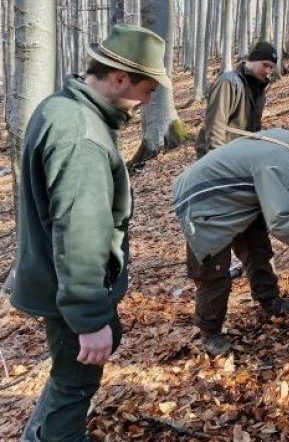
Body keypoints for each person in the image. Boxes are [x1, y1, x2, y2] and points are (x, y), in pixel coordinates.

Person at [11, 24, 170, 442]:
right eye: (148, 88)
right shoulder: (82, 135)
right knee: (73, 385)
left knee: (67, 381)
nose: (149, 100)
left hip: (55, 281)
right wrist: (88, 318)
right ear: (119, 79)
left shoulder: (59, 108)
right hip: (68, 292)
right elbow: (78, 230)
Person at [173, 129, 289, 356]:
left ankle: (270, 300)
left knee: (257, 247)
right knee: (213, 272)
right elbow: (283, 223)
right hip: (202, 200)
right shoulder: (286, 163)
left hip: (237, 198)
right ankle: (210, 333)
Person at [189, 41, 278, 280]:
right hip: (220, 173)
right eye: (265, 65)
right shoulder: (229, 82)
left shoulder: (258, 87)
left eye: (272, 67)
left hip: (242, 172)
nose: (268, 71)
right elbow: (215, 129)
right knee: (218, 249)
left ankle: (270, 300)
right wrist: (216, 172)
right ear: (251, 59)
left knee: (256, 240)